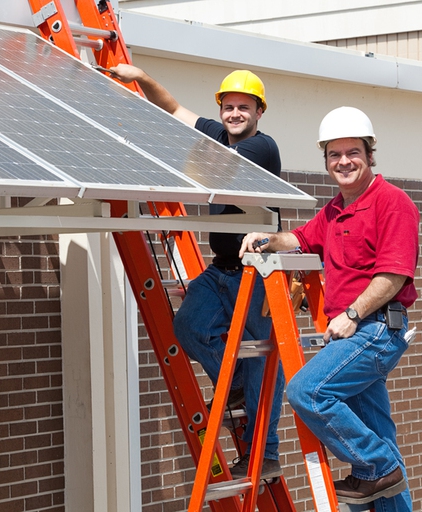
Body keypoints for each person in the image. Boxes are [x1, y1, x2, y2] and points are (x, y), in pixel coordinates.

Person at [108, 64, 285, 480]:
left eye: (244, 107)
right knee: (189, 325)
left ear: (259, 112)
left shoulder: (262, 147)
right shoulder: (217, 135)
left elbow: (218, 170)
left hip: (257, 273)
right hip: (221, 270)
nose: (235, 113)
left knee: (261, 364)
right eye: (228, 106)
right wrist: (141, 78)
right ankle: (233, 383)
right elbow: (173, 109)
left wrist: (149, 147)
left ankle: (265, 455)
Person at [239, 106, 418, 510]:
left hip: (374, 330)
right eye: (334, 155)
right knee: (379, 438)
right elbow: (302, 239)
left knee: (307, 390)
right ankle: (381, 469)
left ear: (370, 155)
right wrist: (267, 238)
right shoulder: (335, 209)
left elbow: (393, 276)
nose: (344, 162)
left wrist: (352, 315)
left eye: (353, 152)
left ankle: (377, 465)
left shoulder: (393, 203)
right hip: (355, 335)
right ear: (326, 161)